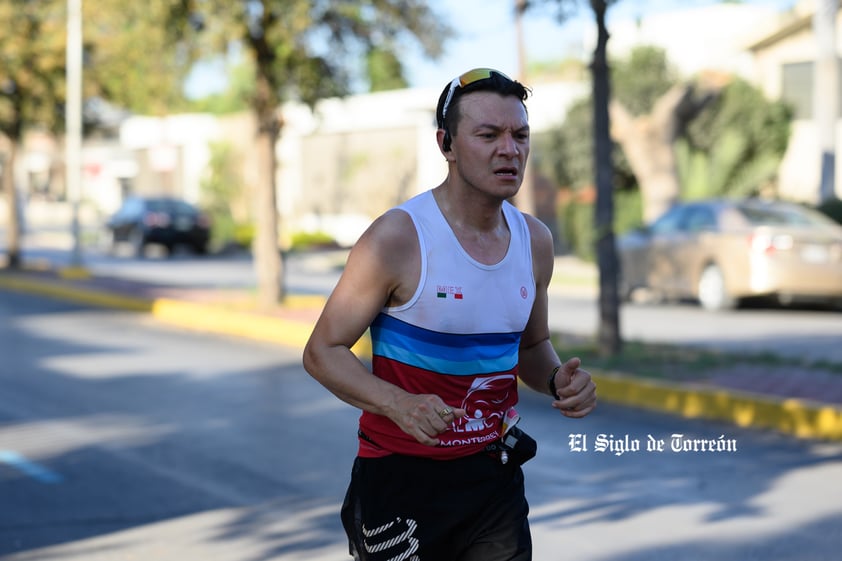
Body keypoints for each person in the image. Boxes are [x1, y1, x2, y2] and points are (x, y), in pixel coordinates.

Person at [302, 67, 597, 561]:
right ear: (448, 144)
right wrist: (398, 403)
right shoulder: (398, 238)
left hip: (492, 479)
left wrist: (558, 381)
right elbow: (322, 351)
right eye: (489, 135)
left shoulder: (535, 242)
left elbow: (530, 348)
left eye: (520, 135)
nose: (510, 149)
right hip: (401, 481)